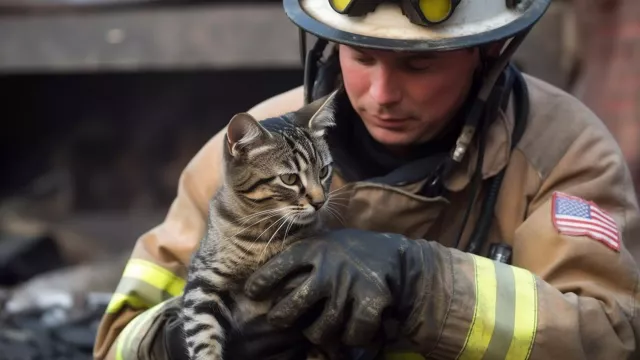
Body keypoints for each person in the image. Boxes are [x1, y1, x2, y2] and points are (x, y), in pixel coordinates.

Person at [93, 0, 640, 359]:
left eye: (418, 65)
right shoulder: (241, 158)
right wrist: (184, 341)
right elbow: (117, 344)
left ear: (484, 51)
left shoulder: (561, 150)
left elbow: (610, 338)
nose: (382, 95)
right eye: (362, 56)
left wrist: (423, 282)